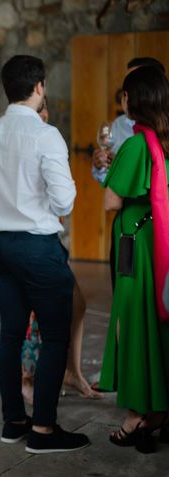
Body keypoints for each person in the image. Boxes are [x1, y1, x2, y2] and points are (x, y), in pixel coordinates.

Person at [0, 55, 90, 454]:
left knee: (10, 334)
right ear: (39, 87)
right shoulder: (45, 134)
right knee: (55, 335)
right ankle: (43, 430)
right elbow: (65, 201)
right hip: (37, 246)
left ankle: (13, 421)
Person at [98, 65, 169, 453]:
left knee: (134, 323)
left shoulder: (138, 144)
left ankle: (136, 414)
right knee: (161, 323)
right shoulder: (167, 138)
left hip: (137, 242)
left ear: (132, 99)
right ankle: (160, 410)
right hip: (164, 237)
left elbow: (112, 201)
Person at [20, 97, 102, 404]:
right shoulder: (21, 143)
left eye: (44, 110)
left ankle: (71, 372)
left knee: (76, 303)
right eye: (39, 110)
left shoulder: (47, 142)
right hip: (27, 238)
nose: (45, 115)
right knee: (31, 313)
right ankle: (27, 377)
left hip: (50, 236)